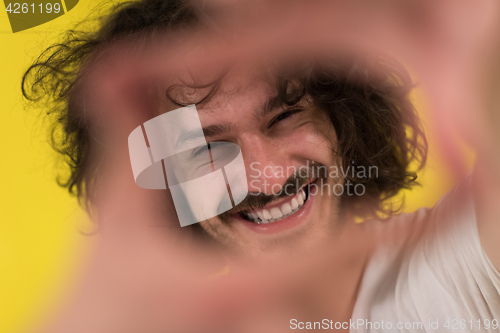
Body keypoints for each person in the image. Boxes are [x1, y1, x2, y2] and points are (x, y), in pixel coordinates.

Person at [22, 0, 500, 332]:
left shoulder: (461, 257)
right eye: (207, 150)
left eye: (286, 115)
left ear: (341, 122)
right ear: (165, 187)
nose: (266, 172)